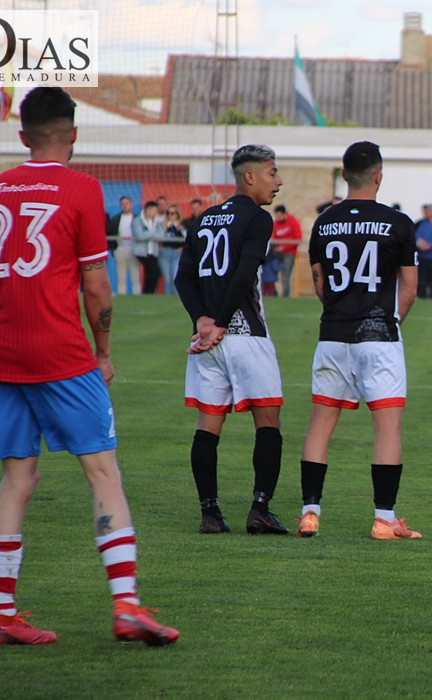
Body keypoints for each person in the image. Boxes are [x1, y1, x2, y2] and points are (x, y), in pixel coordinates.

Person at [0, 86, 177, 647]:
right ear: (73, 133)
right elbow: (97, 286)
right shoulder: (81, 188)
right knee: (102, 472)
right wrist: (102, 351)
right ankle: (126, 607)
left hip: (1, 353)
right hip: (61, 353)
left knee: (16, 479)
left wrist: (1, 302)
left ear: (22, 136)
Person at [300, 141, 421, 540]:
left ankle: (310, 513)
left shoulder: (324, 222)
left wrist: (340, 312)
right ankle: (384, 520)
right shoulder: (398, 222)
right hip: (379, 336)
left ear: (343, 174)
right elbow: (409, 288)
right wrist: (390, 322)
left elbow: (319, 282)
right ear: (378, 176)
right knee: (387, 428)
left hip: (333, 333)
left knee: (320, 424)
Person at [174, 144, 288, 535]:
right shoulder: (257, 219)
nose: (279, 181)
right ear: (250, 177)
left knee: (208, 426)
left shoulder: (202, 220)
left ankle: (210, 514)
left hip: (206, 342)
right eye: (273, 173)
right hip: (245, 336)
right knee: (267, 423)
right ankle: (259, 510)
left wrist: (202, 321)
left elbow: (182, 278)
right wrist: (221, 321)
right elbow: (244, 275)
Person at [109, 197, 140, 295]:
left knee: (135, 277)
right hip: (120, 252)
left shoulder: (137, 218)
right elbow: (111, 234)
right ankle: (122, 297)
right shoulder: (115, 219)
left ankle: (137, 298)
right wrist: (114, 250)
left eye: (127, 203)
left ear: (131, 205)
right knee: (121, 278)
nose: (124, 205)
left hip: (134, 252)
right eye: (122, 204)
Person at [270, 204, 303, 297]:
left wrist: (284, 247)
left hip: (289, 253)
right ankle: (273, 293)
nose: (278, 218)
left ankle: (285, 295)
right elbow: (274, 237)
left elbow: (298, 238)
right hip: (277, 253)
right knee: (272, 273)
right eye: (277, 216)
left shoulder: (293, 222)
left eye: (280, 216)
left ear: (284, 214)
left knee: (286, 275)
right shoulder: (276, 223)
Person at [131, 201, 162, 294]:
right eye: (154, 210)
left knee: (153, 273)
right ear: (148, 210)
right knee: (154, 271)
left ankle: (149, 293)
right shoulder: (138, 220)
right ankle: (147, 292)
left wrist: (147, 234)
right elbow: (139, 236)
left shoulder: (157, 222)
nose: (155, 213)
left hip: (153, 252)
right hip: (141, 252)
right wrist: (152, 233)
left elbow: (161, 235)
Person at [159, 204, 185, 295]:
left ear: (177, 214)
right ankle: (167, 298)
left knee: (174, 277)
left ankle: (175, 297)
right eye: (168, 213)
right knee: (167, 278)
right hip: (165, 253)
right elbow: (157, 236)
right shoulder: (162, 225)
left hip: (176, 252)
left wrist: (182, 247)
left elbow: (187, 238)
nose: (170, 215)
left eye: (173, 213)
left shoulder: (182, 225)